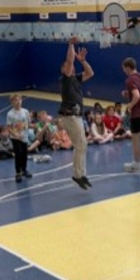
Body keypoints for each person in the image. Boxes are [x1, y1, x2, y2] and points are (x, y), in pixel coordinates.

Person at [55, 38, 93, 188]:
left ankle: (82, 174)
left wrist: (83, 61)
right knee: (80, 145)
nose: (71, 67)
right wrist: (71, 45)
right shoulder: (65, 79)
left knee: (82, 145)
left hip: (76, 116)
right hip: (69, 116)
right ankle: (77, 175)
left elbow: (90, 73)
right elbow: (70, 60)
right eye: (67, 67)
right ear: (63, 70)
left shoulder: (76, 79)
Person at [6, 93, 33, 183]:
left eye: (19, 100)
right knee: (18, 154)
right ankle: (18, 172)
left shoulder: (25, 111)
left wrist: (33, 126)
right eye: (16, 100)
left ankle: (24, 169)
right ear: (12, 102)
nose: (18, 102)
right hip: (16, 138)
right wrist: (16, 135)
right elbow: (9, 127)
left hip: (24, 137)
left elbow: (28, 123)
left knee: (24, 154)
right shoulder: (10, 114)